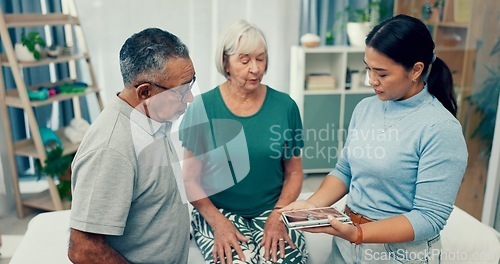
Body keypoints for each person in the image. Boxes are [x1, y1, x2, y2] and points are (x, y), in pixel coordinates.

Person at [281, 14, 468, 263]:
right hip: (346, 248)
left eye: (381, 73)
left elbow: (429, 218)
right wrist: (311, 205)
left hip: (397, 254)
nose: (371, 80)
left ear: (416, 70)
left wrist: (359, 233)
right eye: (368, 68)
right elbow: (345, 170)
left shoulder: (441, 129)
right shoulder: (366, 108)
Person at [179, 19, 308, 263]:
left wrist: (278, 215)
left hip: (274, 209)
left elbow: (294, 173)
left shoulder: (285, 106)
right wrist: (218, 224)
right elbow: (190, 179)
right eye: (245, 60)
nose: (255, 69)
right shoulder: (202, 108)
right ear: (226, 62)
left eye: (260, 59)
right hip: (218, 211)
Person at [68, 28, 195, 263]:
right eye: (182, 91)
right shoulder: (111, 148)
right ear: (145, 92)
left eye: (191, 84)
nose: (190, 98)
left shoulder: (151, 115)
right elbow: (84, 249)